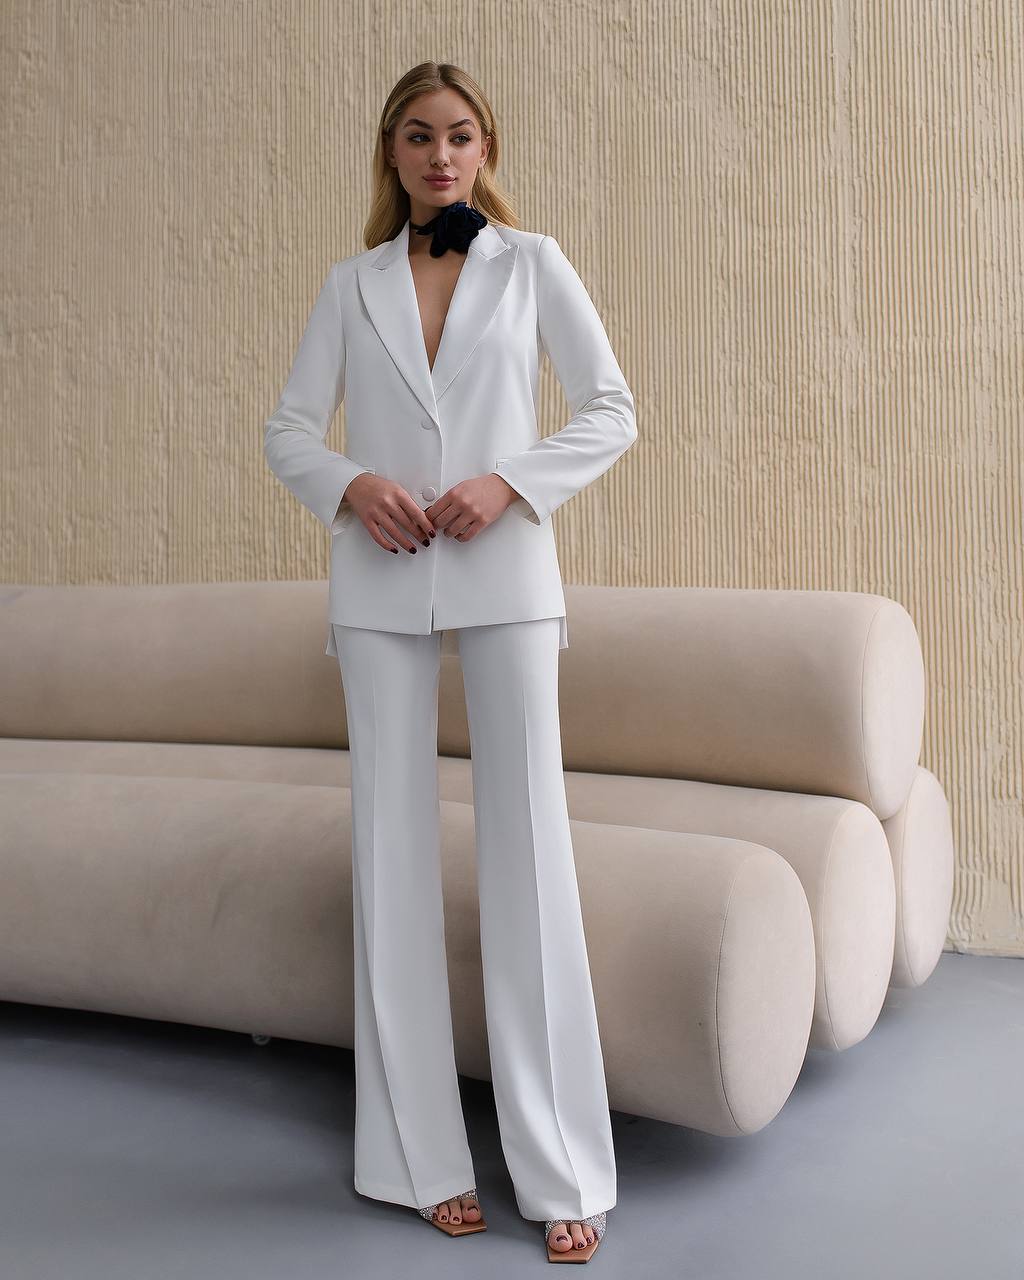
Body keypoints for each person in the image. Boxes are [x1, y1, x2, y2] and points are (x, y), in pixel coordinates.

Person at [263, 61, 636, 1263]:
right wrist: (352, 482)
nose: (439, 156)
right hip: (376, 588)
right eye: (418, 137)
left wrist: (510, 479)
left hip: (507, 576)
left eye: (459, 136)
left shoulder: (534, 264)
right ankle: (419, 1157)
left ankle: (562, 1165)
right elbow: (285, 428)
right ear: (392, 154)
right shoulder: (349, 283)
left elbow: (610, 407)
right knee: (393, 859)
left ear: (485, 149)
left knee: (529, 853)